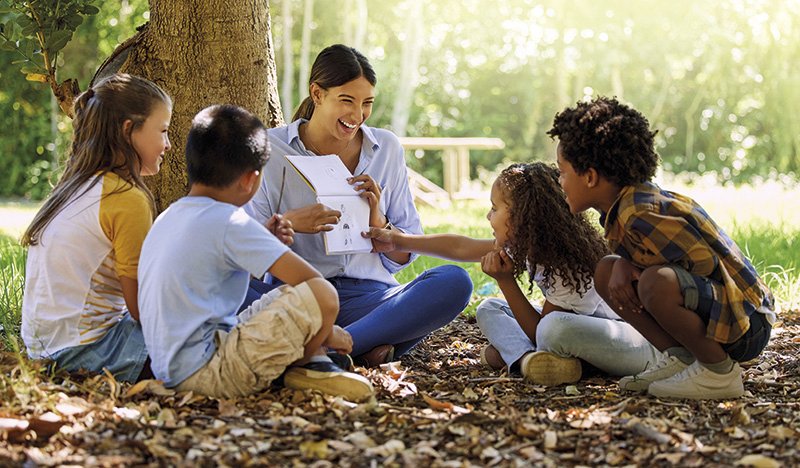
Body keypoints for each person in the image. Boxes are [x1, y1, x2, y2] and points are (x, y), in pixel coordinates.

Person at [245, 44, 472, 367]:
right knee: (222, 285)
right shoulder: (271, 148)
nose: (357, 115)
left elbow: (405, 253)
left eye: (367, 103)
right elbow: (246, 246)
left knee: (453, 281)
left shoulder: (386, 148)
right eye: (347, 101)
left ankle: (325, 353)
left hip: (370, 297)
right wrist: (291, 223)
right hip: (298, 295)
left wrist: (382, 226)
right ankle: (360, 349)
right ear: (318, 94)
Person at [138, 104, 373, 401]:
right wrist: (329, 334)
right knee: (323, 295)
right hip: (211, 373)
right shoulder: (230, 222)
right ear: (251, 179)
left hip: (170, 368)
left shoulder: (171, 216)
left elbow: (210, 264)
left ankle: (306, 360)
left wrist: (262, 235)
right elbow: (313, 284)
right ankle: (309, 362)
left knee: (281, 295)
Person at [548, 96, 776, 399]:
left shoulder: (640, 211)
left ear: (589, 177)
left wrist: (634, 266)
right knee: (606, 271)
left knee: (657, 283)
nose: (559, 181)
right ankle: (681, 358)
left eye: (562, 172)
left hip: (746, 321)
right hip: (722, 311)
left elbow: (702, 265)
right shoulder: (622, 209)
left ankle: (718, 373)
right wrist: (624, 262)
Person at [363, 163, 662, 386]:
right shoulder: (529, 244)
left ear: (523, 218)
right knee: (490, 307)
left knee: (554, 328)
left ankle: (532, 357)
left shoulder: (571, 265)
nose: (487, 216)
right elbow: (461, 246)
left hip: (632, 343)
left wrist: (506, 282)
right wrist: (399, 240)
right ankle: (528, 361)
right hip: (572, 332)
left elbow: (542, 332)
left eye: (495, 209)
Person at [20, 74, 171, 382]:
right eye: (163, 131)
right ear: (129, 130)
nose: (168, 144)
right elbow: (143, 309)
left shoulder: (75, 185)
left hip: (43, 348)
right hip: (85, 352)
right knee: (201, 334)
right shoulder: (126, 197)